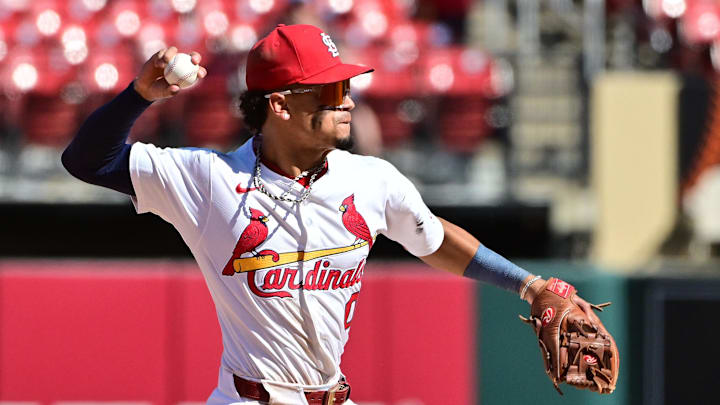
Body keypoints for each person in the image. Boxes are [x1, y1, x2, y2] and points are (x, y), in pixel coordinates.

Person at [62, 24, 601, 405]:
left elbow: (433, 239)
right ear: (280, 104)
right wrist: (137, 96)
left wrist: (529, 286)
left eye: (347, 86)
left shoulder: (369, 179)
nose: (347, 100)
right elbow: (87, 161)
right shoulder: (209, 181)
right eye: (331, 89)